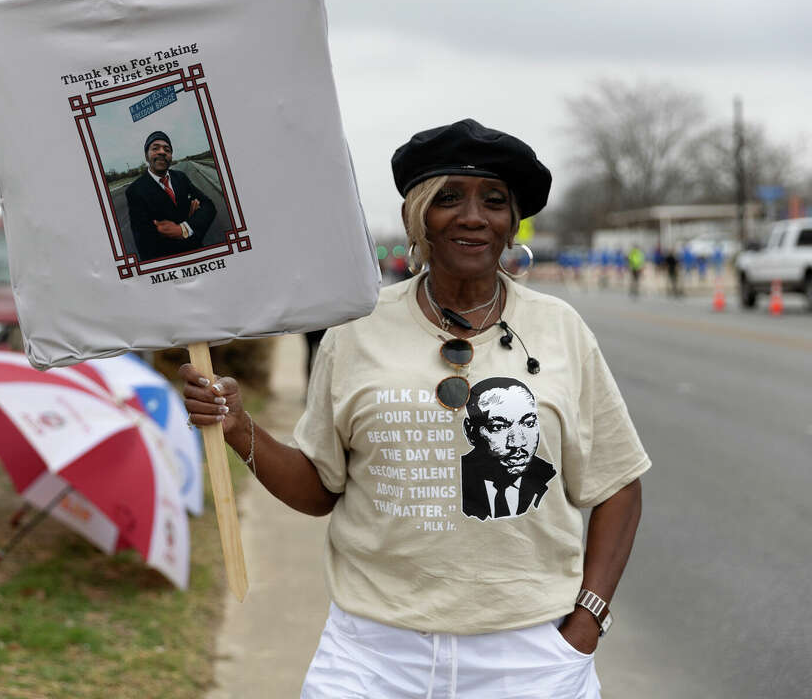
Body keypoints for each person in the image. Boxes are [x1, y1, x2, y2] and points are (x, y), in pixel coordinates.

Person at [181, 119, 649, 698]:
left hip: (528, 657)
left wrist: (587, 621)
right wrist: (238, 426)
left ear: (511, 226)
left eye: (495, 202)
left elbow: (618, 482)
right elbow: (320, 488)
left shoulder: (560, 330)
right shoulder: (357, 330)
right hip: (373, 655)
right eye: (448, 198)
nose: (473, 216)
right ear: (418, 218)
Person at [460, 376, 556, 520]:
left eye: (529, 423)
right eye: (498, 427)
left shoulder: (550, 477)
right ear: (470, 431)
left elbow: (600, 495)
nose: (518, 442)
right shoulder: (453, 478)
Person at [125, 130, 217, 261]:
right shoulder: (135, 191)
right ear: (146, 156)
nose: (162, 152)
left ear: (171, 156)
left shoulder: (181, 177)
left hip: (199, 253)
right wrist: (192, 217)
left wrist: (184, 228)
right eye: (155, 148)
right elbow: (145, 245)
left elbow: (209, 205)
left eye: (167, 149)